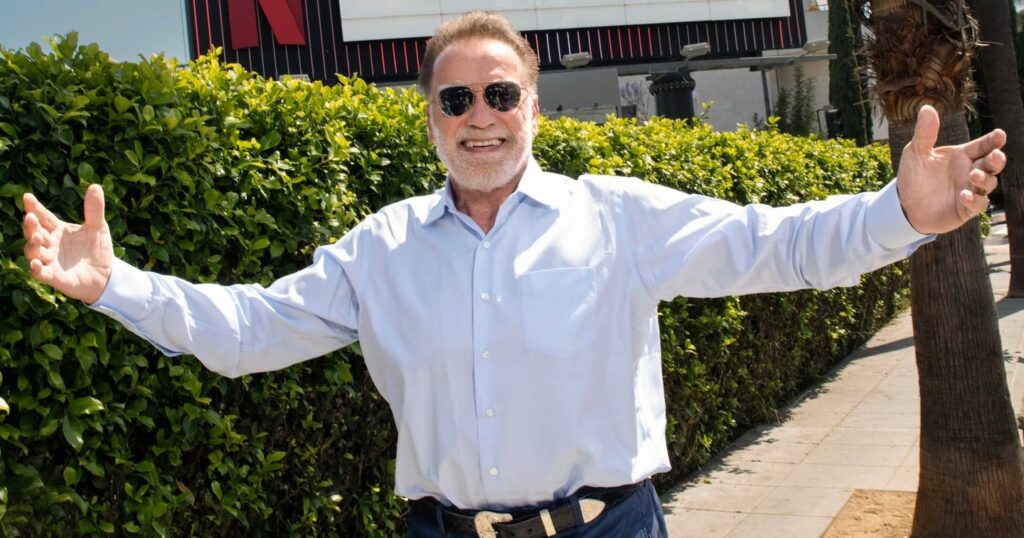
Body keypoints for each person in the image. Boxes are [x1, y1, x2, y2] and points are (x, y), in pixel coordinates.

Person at [20, 11, 1005, 538]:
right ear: (432, 117)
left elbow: (773, 244)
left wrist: (898, 215)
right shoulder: (380, 248)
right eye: (457, 98)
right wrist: (116, 285)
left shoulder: (615, 217)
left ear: (531, 106)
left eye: (500, 93)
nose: (479, 114)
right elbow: (245, 334)